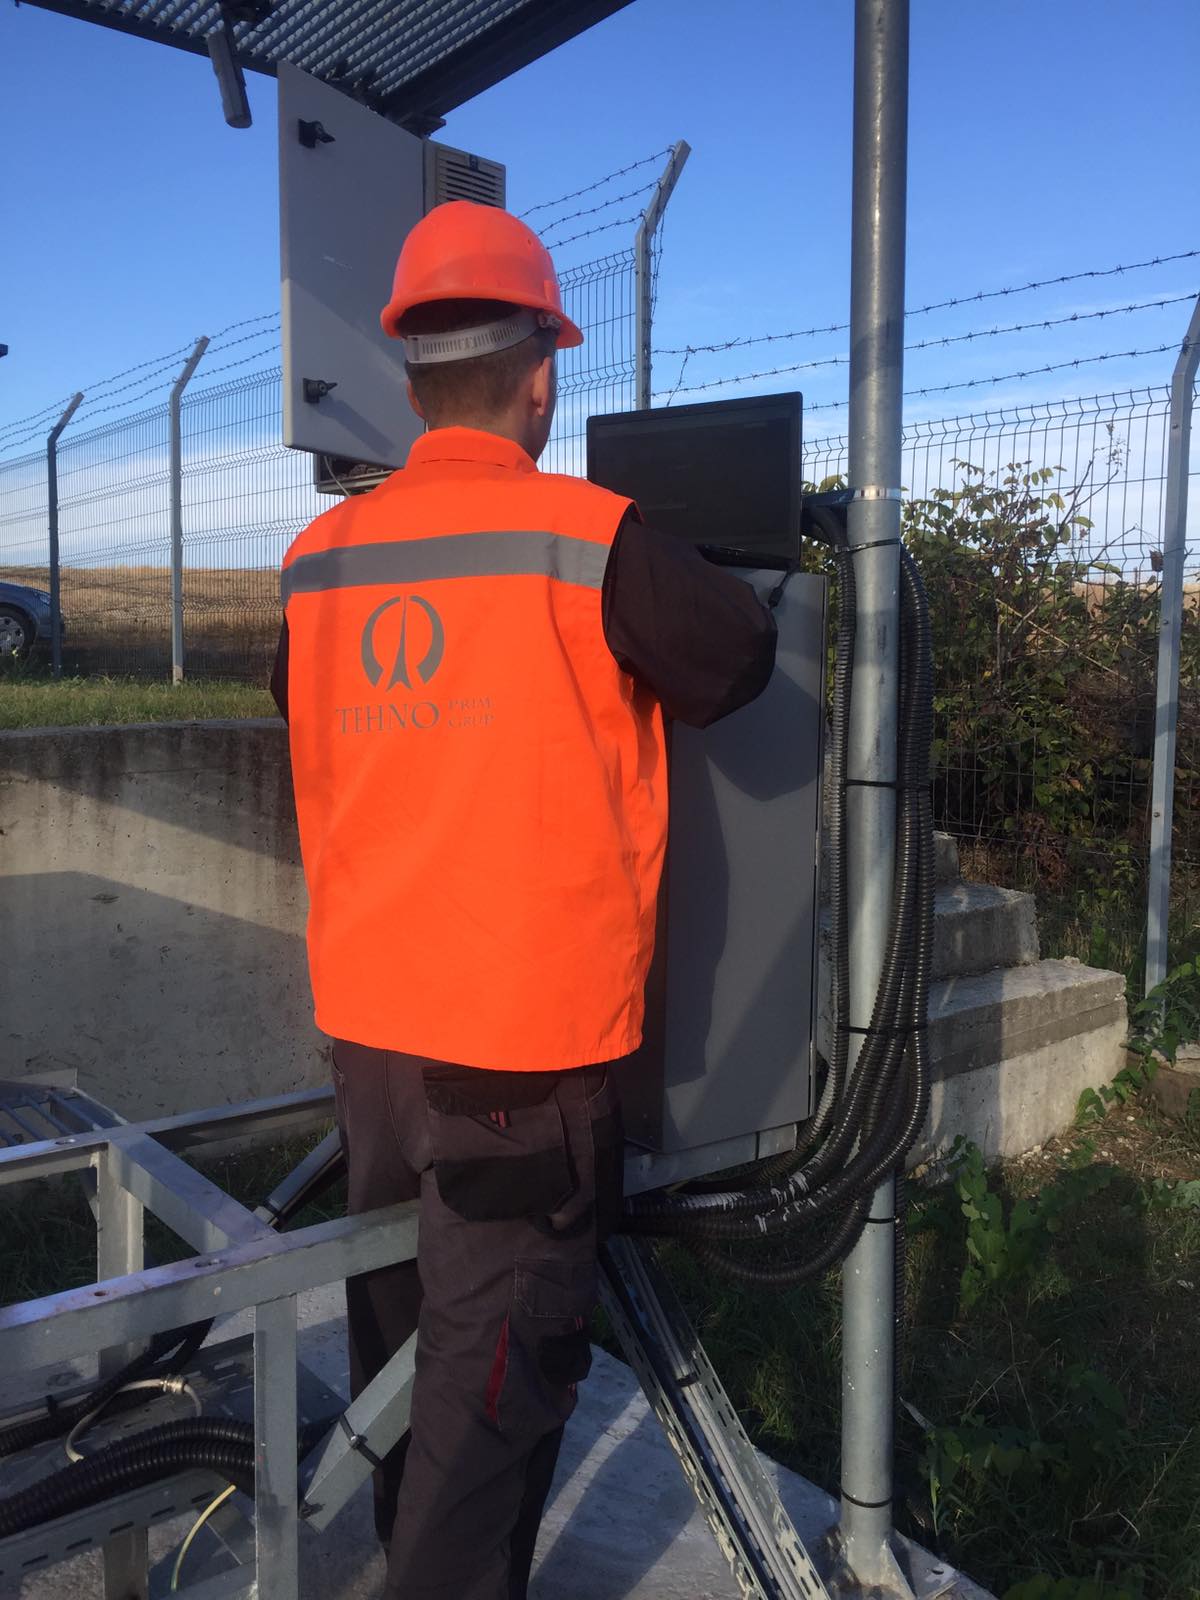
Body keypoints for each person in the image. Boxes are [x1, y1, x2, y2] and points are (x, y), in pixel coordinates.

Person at [272, 199, 777, 1600]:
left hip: (373, 1037)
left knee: (402, 1346)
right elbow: (740, 658)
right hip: (521, 1055)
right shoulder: (590, 539)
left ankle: (406, 1557)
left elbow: (315, 712)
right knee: (494, 1383)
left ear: (410, 379)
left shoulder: (321, 562)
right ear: (541, 375)